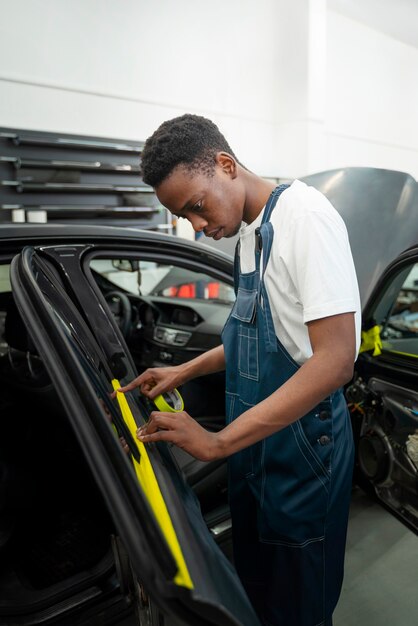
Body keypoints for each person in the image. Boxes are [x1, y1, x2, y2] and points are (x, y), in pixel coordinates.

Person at [116, 114, 361, 626]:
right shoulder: (249, 233)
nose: (199, 229)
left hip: (303, 452)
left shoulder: (305, 219)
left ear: (225, 165)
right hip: (258, 449)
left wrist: (218, 442)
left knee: (300, 604)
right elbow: (251, 335)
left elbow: (335, 361)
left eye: (196, 208)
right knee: (259, 591)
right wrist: (184, 371)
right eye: (185, 218)